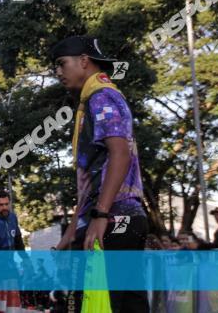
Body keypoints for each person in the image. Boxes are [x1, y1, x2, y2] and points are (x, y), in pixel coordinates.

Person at [50, 35, 148, 313]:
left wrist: (101, 215)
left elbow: (119, 153)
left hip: (113, 219)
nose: (58, 71)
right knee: (128, 305)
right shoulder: (97, 96)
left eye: (61, 63)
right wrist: (71, 232)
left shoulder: (100, 96)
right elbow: (93, 177)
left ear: (84, 61)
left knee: (96, 305)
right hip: (123, 219)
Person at [0, 191, 30, 311]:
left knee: (13, 295)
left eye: (7, 204)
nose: (5, 207)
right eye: (1, 205)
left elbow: (18, 240)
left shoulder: (13, 218)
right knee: (0, 300)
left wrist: (25, 258)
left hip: (10, 264)